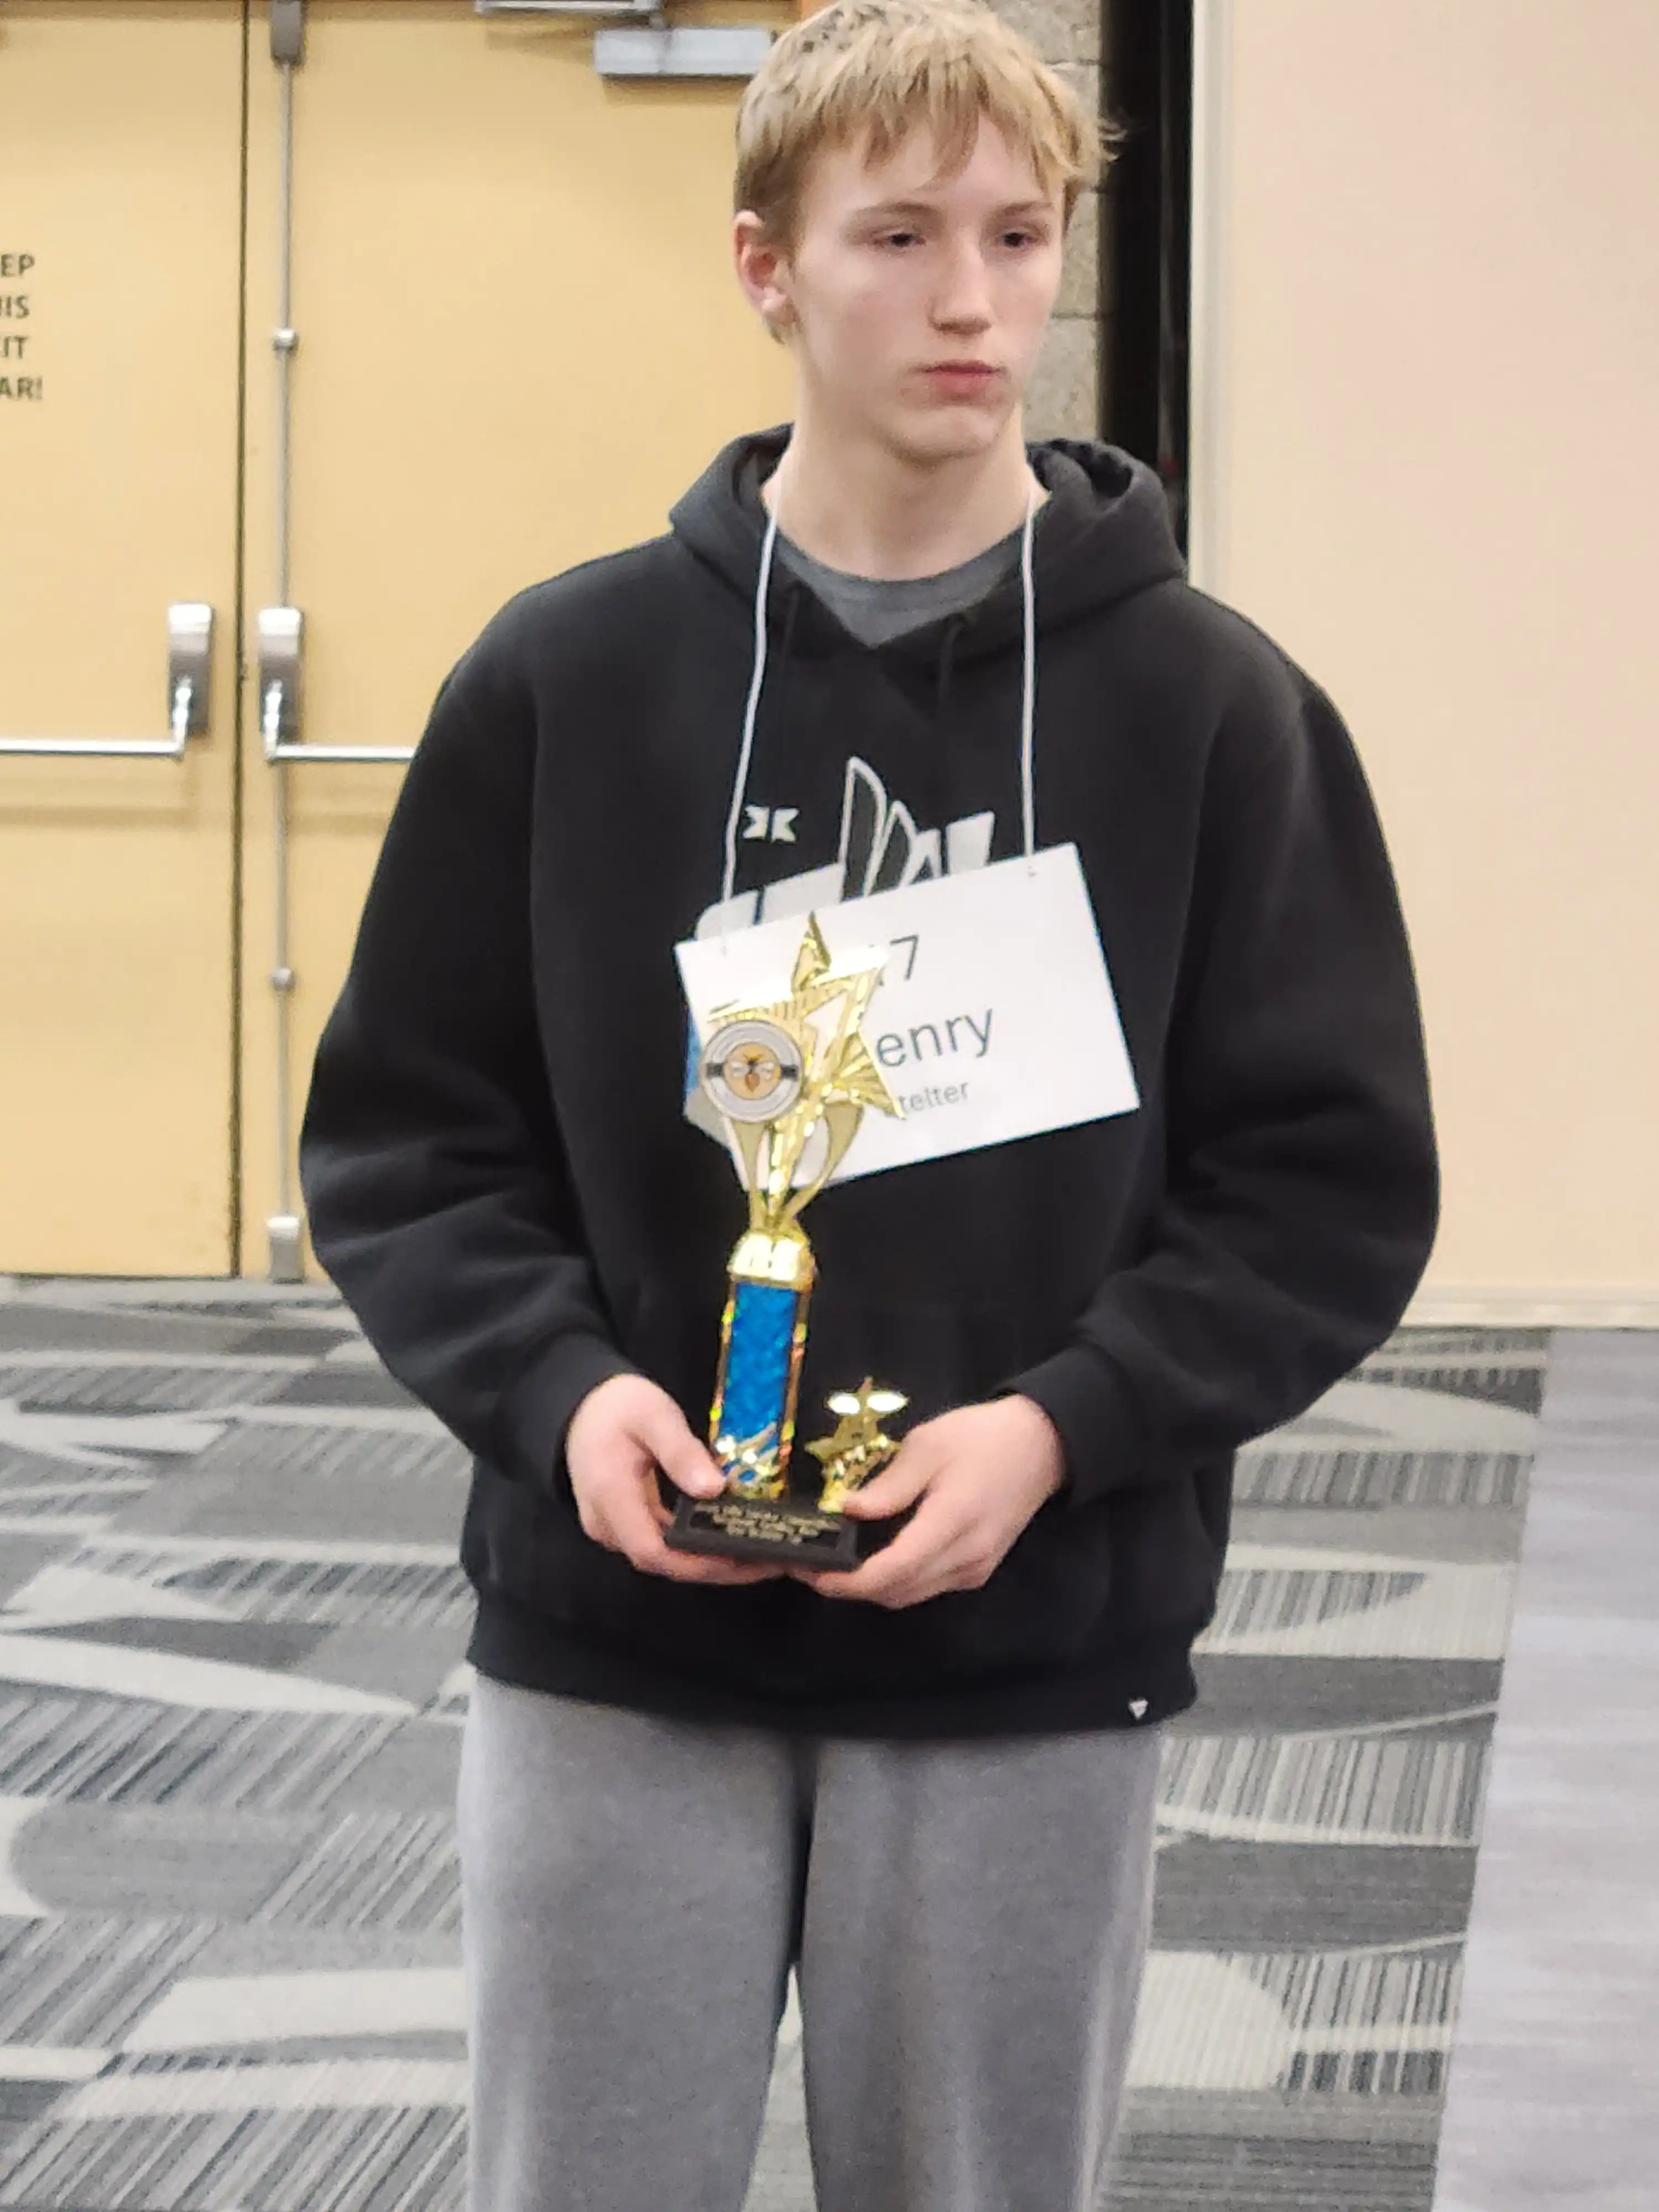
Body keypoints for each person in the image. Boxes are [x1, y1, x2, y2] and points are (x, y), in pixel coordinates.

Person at [298, 2, 1439, 2206]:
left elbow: (1319, 1190)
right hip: (614, 1641)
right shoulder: (566, 679)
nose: (972, 298)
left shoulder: (1217, 711)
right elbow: (413, 1142)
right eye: (900, 233)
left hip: (1028, 1643)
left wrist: (1064, 1424)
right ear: (764, 266)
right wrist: (554, 1393)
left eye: (1021, 236)